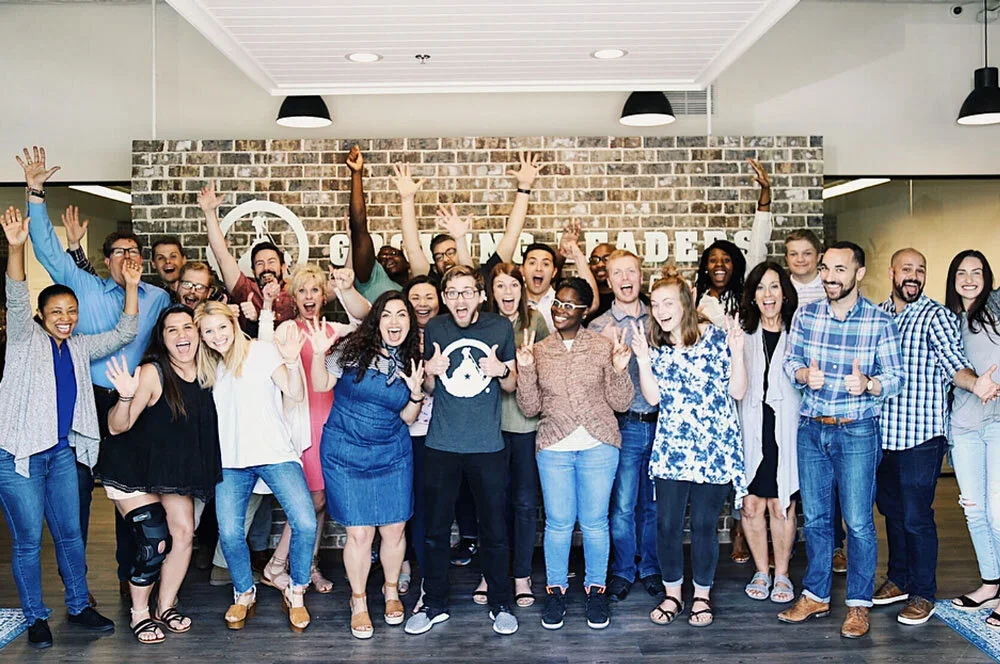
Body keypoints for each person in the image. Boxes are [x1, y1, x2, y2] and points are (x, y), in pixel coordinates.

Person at [18, 146, 172, 594]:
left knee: (129, 495)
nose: (127, 257)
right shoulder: (85, 285)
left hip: (130, 407)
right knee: (78, 496)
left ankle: (132, 580)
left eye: (133, 251)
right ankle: (77, 589)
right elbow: (46, 249)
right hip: (86, 402)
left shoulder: (157, 299)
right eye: (118, 251)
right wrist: (34, 191)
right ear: (106, 261)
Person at [0, 206, 134, 648]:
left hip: (60, 453)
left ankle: (78, 607)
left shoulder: (77, 346)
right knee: (27, 543)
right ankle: (36, 617)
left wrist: (132, 287)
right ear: (41, 314)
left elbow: (123, 333)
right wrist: (17, 247)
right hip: (19, 456)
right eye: (57, 311)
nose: (65, 317)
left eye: (71, 311)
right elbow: (16, 294)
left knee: (71, 536)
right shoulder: (24, 338)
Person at [778, 241, 904, 639]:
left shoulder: (879, 322)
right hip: (812, 428)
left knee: (859, 523)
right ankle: (815, 595)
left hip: (857, 431)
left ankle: (858, 605)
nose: (830, 277)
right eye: (826, 269)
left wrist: (869, 383)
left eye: (839, 270)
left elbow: (896, 377)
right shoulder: (807, 314)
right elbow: (790, 360)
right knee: (815, 520)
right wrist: (802, 376)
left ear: (858, 274)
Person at [873, 248, 999, 625]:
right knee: (892, 514)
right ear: (892, 271)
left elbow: (952, 363)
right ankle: (899, 579)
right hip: (883, 435)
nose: (913, 275)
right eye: (906, 269)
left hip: (922, 434)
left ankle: (923, 592)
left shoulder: (936, 316)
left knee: (918, 517)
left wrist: (976, 384)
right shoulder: (876, 315)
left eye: (920, 270)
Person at [404, 265, 519, 636]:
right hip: (441, 445)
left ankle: (501, 602)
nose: (459, 300)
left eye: (467, 292)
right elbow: (435, 389)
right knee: (436, 531)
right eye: (452, 293)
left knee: (495, 530)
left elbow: (511, 384)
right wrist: (431, 372)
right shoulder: (437, 327)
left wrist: (501, 369)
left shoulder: (499, 328)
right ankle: (434, 603)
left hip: (487, 447)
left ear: (481, 295)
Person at [97, 304, 223, 643]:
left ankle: (165, 606)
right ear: (162, 338)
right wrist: (125, 396)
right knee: (155, 536)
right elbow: (116, 426)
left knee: (184, 533)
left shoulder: (208, 371)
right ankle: (140, 612)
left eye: (187, 328)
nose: (182, 335)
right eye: (172, 330)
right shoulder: (153, 372)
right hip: (131, 468)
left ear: (198, 334)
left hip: (168, 469)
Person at [631, 267, 748, 629]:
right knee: (666, 525)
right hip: (673, 447)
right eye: (655, 303)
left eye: (668, 302)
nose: (661, 309)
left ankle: (701, 596)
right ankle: (673, 594)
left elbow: (738, 391)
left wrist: (738, 352)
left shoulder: (715, 338)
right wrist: (642, 360)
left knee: (702, 524)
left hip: (714, 447)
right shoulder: (656, 347)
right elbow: (652, 399)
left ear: (684, 304)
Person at [516, 277, 634, 630]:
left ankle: (595, 591)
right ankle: (556, 591)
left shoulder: (601, 346)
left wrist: (617, 368)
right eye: (557, 304)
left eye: (569, 305)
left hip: (598, 444)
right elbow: (529, 407)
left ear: (584, 311)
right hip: (553, 446)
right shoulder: (539, 349)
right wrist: (524, 369)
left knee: (595, 524)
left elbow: (621, 402)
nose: (560, 310)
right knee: (558, 524)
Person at [193, 301, 317, 633]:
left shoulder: (261, 351)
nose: (217, 336)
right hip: (232, 462)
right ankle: (244, 592)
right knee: (231, 533)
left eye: (222, 327)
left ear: (233, 322)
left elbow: (295, 392)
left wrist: (292, 361)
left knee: (305, 522)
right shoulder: (210, 367)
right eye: (209, 331)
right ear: (202, 337)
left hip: (275, 453)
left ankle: (297, 590)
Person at [308, 291, 424, 638]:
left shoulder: (412, 357)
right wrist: (316, 352)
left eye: (401, 315)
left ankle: (391, 592)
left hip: (392, 452)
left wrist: (416, 392)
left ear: (409, 321)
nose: (394, 322)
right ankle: (358, 601)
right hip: (346, 451)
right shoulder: (351, 348)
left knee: (394, 529)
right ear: (376, 320)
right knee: (359, 533)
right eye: (386, 315)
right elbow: (321, 383)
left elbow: (407, 417)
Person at [257, 264, 368, 594]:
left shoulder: (335, 330)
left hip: (331, 427)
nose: (309, 297)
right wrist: (265, 308)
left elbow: (366, 325)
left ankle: (307, 565)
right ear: (294, 297)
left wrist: (346, 290)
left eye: (315, 290)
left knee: (319, 503)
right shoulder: (286, 330)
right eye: (302, 290)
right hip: (300, 428)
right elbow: (263, 354)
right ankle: (277, 565)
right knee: (309, 502)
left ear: (324, 296)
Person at [693, 158, 771, 564]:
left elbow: (759, 245)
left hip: (745, 388)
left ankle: (743, 532)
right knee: (719, 464)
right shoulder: (695, 301)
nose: (719, 265)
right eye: (713, 260)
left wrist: (764, 195)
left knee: (748, 460)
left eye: (726, 260)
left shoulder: (747, 296)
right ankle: (735, 526)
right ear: (705, 267)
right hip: (710, 395)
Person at [588, 250, 662, 602]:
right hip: (626, 426)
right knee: (622, 505)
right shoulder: (598, 327)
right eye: (617, 273)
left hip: (663, 424)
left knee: (653, 505)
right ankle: (622, 570)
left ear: (641, 276)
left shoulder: (661, 317)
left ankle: (650, 568)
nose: (625, 278)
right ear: (609, 280)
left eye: (631, 271)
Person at [479, 262, 550, 607]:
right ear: (491, 292)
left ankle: (521, 575)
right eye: (500, 287)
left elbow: (550, 373)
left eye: (513, 286)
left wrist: (515, 368)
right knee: (491, 504)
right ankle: (489, 574)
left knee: (523, 503)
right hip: (487, 428)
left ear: (522, 289)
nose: (508, 294)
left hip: (524, 426)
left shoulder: (534, 322)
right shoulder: (481, 324)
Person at [735, 262, 801, 605]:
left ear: (785, 292)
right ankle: (762, 570)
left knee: (781, 504)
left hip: (786, 429)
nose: (768, 294)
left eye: (774, 286)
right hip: (751, 427)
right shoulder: (743, 333)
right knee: (751, 505)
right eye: (760, 288)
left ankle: (783, 575)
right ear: (753, 295)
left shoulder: (799, 330)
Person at [784, 228, 845, 574]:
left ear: (819, 257)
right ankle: (789, 539)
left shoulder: (829, 287)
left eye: (807, 253)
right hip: (795, 384)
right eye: (794, 253)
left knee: (830, 476)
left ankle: (836, 546)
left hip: (830, 395)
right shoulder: (781, 286)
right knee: (793, 470)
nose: (801, 259)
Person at [944, 250, 1000, 628]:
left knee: (998, 510)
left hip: (997, 422)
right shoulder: (947, 320)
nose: (968, 279)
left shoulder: (996, 307)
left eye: (976, 272)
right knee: (974, 509)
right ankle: (990, 583)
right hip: (963, 425)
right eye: (961, 272)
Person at [198, 181, 296, 331]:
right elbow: (222, 256)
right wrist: (209, 213)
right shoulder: (245, 289)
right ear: (253, 269)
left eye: (271, 262)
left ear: (283, 266)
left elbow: (335, 290)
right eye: (260, 264)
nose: (266, 268)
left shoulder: (297, 290)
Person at [401, 275, 443, 607]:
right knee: (405, 505)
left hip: (440, 433)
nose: (422, 303)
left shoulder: (447, 332)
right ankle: (402, 564)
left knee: (432, 508)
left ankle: (430, 577)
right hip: (405, 432)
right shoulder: (398, 335)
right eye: (415, 297)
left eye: (429, 296)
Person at [584, 242, 616, 325]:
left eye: (607, 259)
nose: (600, 264)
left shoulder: (629, 296)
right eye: (594, 260)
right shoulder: (584, 297)